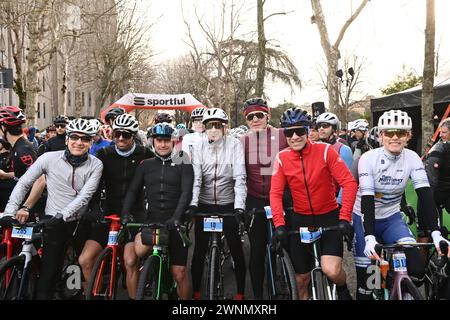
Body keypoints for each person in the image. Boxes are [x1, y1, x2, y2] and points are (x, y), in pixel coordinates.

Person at [352, 110, 449, 300]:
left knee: (416, 269)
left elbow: (426, 196)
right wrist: (370, 236)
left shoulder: (412, 158)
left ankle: (395, 286)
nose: (394, 137)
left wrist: (436, 233)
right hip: (365, 220)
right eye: (389, 132)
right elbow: (368, 199)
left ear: (408, 136)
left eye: (401, 133)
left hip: (392, 219)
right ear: (380, 135)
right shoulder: (367, 159)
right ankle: (377, 286)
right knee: (368, 283)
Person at [2, 118, 103, 300]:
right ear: (67, 139)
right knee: (48, 274)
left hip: (79, 220)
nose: (79, 142)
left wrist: (62, 215)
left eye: (85, 139)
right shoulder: (48, 158)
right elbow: (24, 183)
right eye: (75, 137)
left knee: (83, 264)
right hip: (53, 219)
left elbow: (85, 196)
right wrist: (10, 211)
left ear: (90, 142)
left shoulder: (96, 164)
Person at [270, 107, 357, 300]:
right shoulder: (282, 158)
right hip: (300, 220)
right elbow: (275, 194)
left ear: (308, 131)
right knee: (301, 279)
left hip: (329, 217)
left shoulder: (325, 151)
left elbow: (349, 183)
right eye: (289, 132)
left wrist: (345, 217)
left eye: (299, 131)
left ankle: (342, 289)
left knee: (331, 270)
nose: (294, 137)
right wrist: (279, 225)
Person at [78, 113, 153, 299]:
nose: (120, 138)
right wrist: (93, 208)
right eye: (116, 134)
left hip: (134, 215)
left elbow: (165, 167)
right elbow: (90, 181)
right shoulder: (104, 154)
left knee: (129, 261)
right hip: (108, 214)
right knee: (85, 260)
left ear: (133, 136)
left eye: (125, 135)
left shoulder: (144, 153)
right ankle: (98, 290)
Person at [121, 122, 193, 300]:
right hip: (152, 220)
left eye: (167, 140)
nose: (162, 144)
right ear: (152, 141)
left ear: (173, 142)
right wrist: (125, 212)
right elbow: (132, 191)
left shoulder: (183, 161)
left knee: (180, 273)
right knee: (135, 253)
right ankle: (149, 275)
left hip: (175, 221)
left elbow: (186, 192)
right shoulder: (146, 164)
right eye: (159, 140)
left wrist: (177, 217)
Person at [189, 108, 247, 300]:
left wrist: (239, 206)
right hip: (204, 204)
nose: (213, 129)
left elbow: (240, 177)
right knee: (198, 252)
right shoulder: (198, 147)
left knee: (237, 251)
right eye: (209, 126)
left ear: (224, 127)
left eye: (217, 125)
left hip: (228, 203)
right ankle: (196, 292)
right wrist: (193, 204)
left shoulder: (234, 145)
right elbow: (196, 178)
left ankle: (239, 294)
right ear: (204, 128)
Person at [239, 97, 288, 300]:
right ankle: (258, 296)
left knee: (287, 245)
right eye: (251, 117)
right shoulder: (243, 141)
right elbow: (238, 174)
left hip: (282, 197)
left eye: (260, 115)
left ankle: (290, 282)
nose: (256, 119)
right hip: (255, 200)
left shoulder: (283, 136)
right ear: (247, 120)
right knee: (257, 251)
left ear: (267, 115)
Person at [316, 112, 353, 204]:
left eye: (325, 125)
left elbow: (347, 181)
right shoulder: (313, 147)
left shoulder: (343, 149)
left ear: (334, 129)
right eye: (319, 126)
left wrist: (339, 202)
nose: (321, 128)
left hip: (334, 200)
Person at [424, 117, 450, 233]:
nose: (441, 135)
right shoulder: (438, 150)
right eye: (440, 132)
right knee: (429, 229)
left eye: (444, 132)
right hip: (434, 192)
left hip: (447, 191)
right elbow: (431, 181)